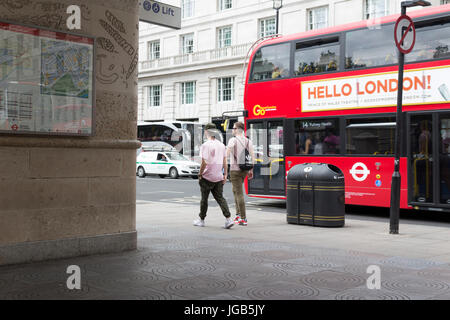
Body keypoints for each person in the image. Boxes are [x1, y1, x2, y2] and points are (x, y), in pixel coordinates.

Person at [193, 123, 234, 229]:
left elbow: (204, 162)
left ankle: (201, 220)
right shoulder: (221, 145)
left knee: (204, 199)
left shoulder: (205, 145)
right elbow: (225, 160)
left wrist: (200, 173)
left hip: (207, 176)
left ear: (206, 132)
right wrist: (225, 174)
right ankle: (228, 219)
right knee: (220, 198)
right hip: (218, 176)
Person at [226, 121, 254, 226]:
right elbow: (252, 157)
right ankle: (238, 215)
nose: (232, 130)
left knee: (239, 193)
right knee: (235, 191)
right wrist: (251, 170)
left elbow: (226, 154)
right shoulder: (248, 141)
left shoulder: (232, 140)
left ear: (237, 129)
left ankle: (243, 218)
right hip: (245, 170)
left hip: (235, 170)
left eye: (233, 128)